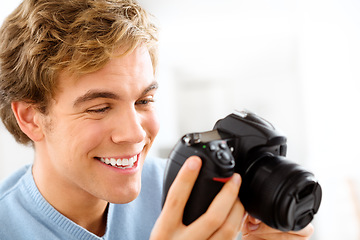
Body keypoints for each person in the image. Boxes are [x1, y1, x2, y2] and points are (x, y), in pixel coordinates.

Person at [0, 0, 314, 239]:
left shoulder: (192, 186)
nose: (136, 133)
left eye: (144, 100)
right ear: (31, 118)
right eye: (99, 107)